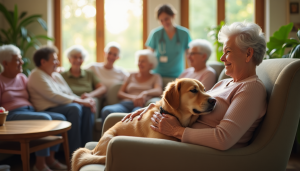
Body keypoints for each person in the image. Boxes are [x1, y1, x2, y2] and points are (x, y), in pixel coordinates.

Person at [124, 22, 267, 150]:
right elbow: (192, 104)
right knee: (120, 143)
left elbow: (223, 138)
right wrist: (157, 108)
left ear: (248, 54)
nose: (222, 58)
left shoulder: (251, 88)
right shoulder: (224, 83)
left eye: (227, 52)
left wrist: (176, 130)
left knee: (119, 146)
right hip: (184, 145)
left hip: (202, 155)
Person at [0, 45, 67, 171]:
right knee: (44, 118)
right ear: (5, 63)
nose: (22, 62)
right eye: (17, 60)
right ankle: (40, 165)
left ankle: (50, 159)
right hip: (12, 115)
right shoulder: (0, 80)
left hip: (29, 111)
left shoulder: (22, 78)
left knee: (60, 118)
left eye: (21, 59)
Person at [27, 45, 95, 154]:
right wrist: (81, 101)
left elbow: (69, 93)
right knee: (75, 108)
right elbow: (53, 96)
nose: (57, 62)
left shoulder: (55, 75)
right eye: (54, 59)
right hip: (47, 109)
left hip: (60, 106)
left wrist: (87, 102)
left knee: (86, 109)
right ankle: (75, 153)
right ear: (43, 62)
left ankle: (88, 150)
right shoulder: (36, 74)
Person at [101, 49, 163, 123]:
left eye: (143, 61)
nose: (139, 63)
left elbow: (158, 91)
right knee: (106, 110)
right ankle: (108, 134)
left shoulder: (156, 77)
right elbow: (120, 93)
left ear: (150, 64)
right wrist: (134, 98)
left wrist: (144, 93)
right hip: (126, 104)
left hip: (141, 106)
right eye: (139, 61)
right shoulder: (131, 75)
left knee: (136, 115)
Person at [146, 4, 192, 78]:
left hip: (178, 75)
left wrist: (192, 72)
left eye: (166, 19)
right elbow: (149, 56)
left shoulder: (184, 33)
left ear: (173, 16)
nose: (164, 22)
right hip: (158, 74)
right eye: (161, 20)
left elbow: (189, 55)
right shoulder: (155, 34)